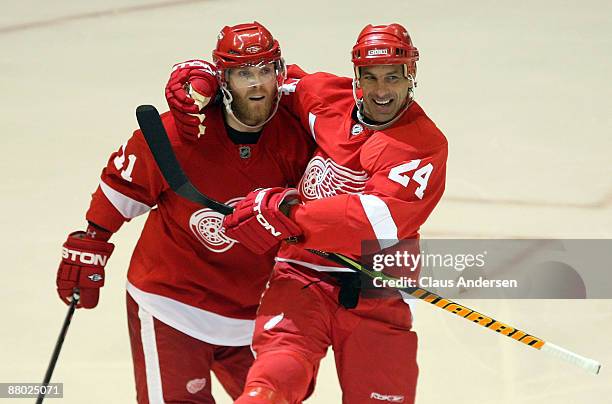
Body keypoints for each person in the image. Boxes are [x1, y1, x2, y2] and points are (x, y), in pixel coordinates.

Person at [55, 22, 313, 403]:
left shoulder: (298, 135)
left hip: (258, 307)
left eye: (265, 71)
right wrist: (93, 239)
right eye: (244, 73)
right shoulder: (178, 133)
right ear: (223, 79)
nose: (257, 85)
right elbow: (125, 184)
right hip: (172, 304)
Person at [222, 23, 449, 403]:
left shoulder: (422, 145)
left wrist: (286, 216)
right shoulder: (326, 97)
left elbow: (374, 220)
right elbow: (260, 83)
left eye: (392, 77)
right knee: (271, 383)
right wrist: (202, 80)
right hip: (302, 274)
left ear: (411, 76)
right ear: (356, 75)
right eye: (370, 77)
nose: (381, 91)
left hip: (377, 290)